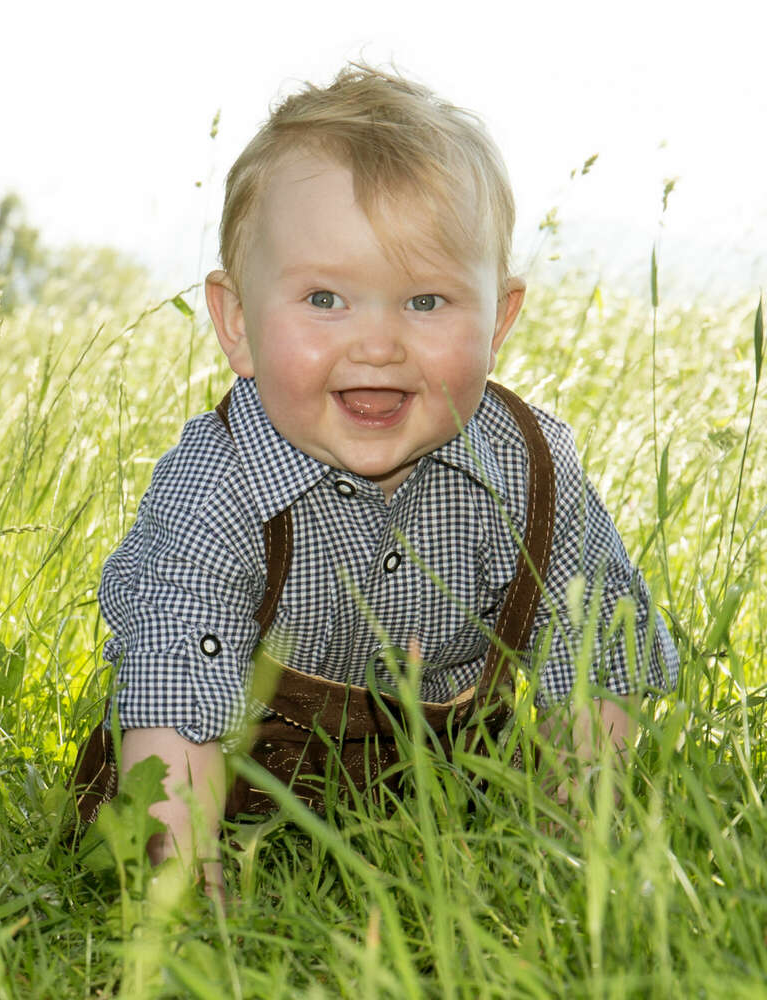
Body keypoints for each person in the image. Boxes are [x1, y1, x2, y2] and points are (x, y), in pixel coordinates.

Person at [93, 64, 679, 893]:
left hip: (444, 805)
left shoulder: (527, 469)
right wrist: (186, 903)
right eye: (325, 299)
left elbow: (594, 657)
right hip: (239, 804)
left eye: (428, 302)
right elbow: (171, 691)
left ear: (499, 318)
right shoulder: (214, 490)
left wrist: (565, 852)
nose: (378, 344)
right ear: (236, 324)